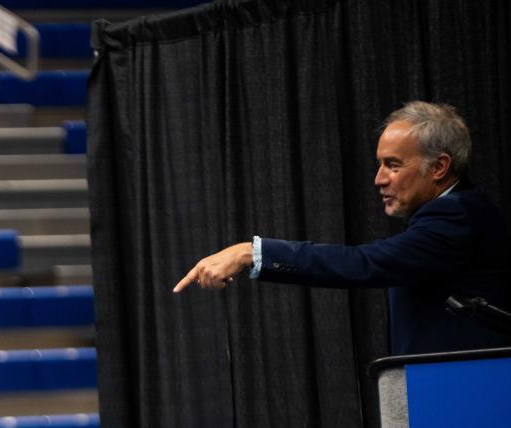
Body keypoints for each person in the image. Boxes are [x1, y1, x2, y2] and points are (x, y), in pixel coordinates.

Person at [175, 101, 511, 356]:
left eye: (393, 165)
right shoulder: (451, 211)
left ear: (439, 167)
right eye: (380, 165)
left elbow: (364, 263)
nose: (379, 179)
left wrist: (251, 252)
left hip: (468, 408)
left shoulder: (457, 215)